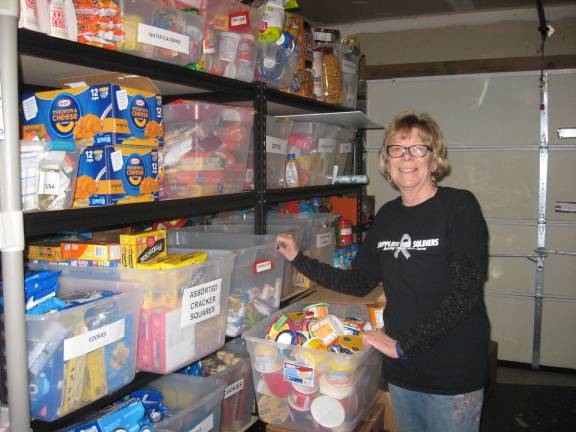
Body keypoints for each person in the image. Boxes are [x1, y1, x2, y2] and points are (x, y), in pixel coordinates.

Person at [275, 111, 490, 432]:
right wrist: (298, 259)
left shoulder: (459, 207)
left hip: (452, 368)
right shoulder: (388, 216)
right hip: (403, 369)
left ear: (435, 160)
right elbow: (359, 281)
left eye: (419, 148)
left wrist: (404, 345)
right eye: (397, 149)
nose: (406, 157)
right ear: (386, 160)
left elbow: (465, 292)